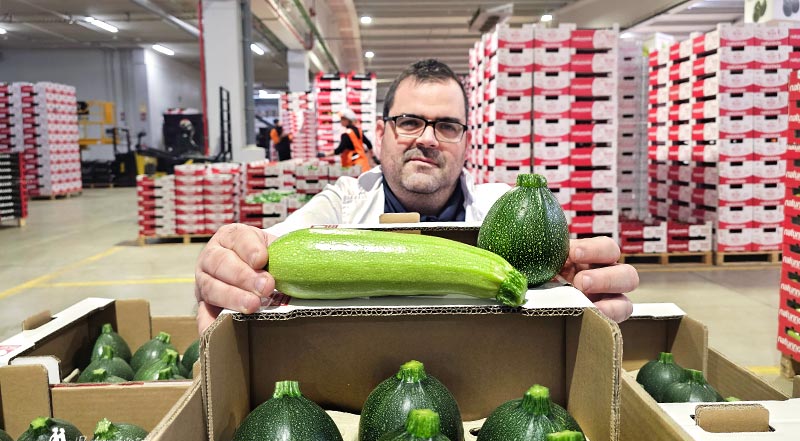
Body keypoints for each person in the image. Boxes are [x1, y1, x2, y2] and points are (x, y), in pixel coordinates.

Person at [195, 59, 639, 332]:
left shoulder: (504, 211)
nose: (427, 138)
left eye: (447, 126)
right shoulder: (341, 205)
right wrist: (233, 264)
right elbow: (277, 246)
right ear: (380, 133)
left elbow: (571, 278)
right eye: (409, 121)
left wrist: (585, 288)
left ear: (467, 142)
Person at [326, 108, 375, 173]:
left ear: (348, 120)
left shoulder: (346, 134)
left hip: (353, 166)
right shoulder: (359, 131)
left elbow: (339, 150)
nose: (341, 121)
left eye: (342, 119)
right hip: (363, 164)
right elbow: (369, 144)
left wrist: (325, 154)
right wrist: (371, 157)